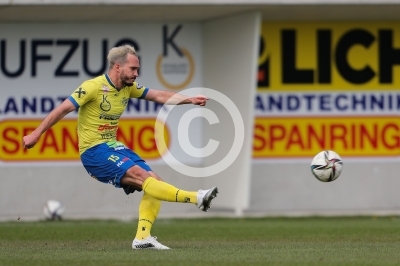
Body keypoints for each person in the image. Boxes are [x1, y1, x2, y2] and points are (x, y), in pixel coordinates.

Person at [22, 44, 218, 250]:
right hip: (93, 152)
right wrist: (36, 133)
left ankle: (143, 238)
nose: (136, 73)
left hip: (113, 146)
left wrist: (189, 100)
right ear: (117, 67)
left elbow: (159, 96)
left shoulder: (128, 88)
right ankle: (196, 197)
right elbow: (62, 109)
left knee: (154, 183)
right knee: (144, 178)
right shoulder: (93, 86)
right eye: (133, 69)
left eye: (137, 69)